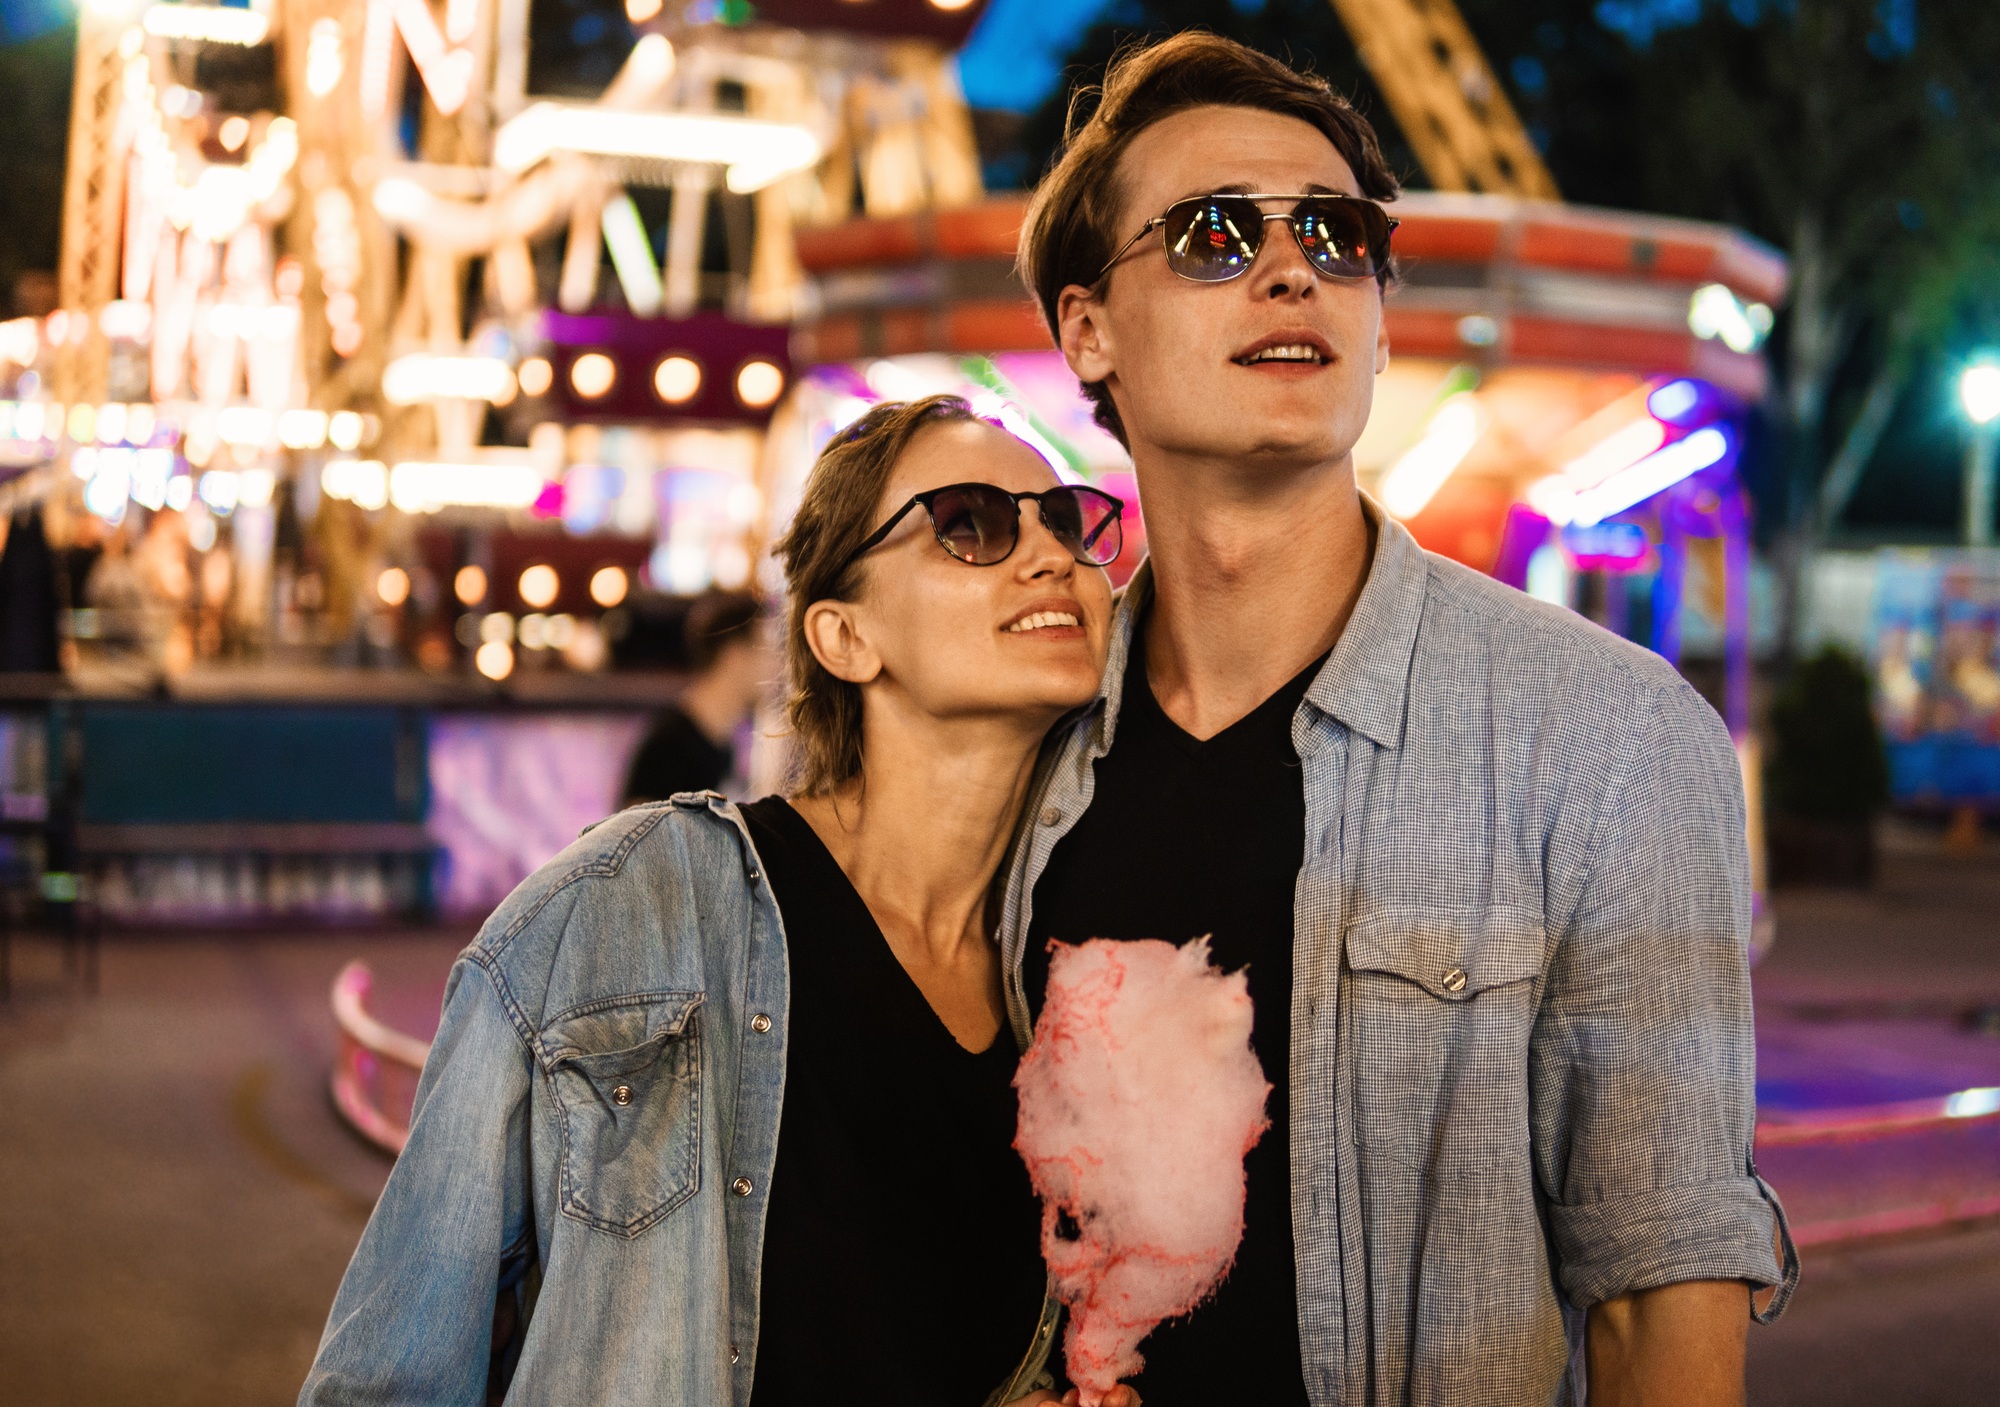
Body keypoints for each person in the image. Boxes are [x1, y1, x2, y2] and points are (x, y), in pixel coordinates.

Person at [996, 33, 1796, 1407]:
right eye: (1209, 235)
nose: (1290, 265)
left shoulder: (1608, 739)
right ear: (1088, 328)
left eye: (1337, 232)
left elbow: (1665, 1301)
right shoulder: (1009, 746)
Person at [299, 397, 1139, 1407]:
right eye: (971, 523)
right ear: (841, 635)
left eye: (1063, 518)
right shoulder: (624, 911)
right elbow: (387, 1380)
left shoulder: (1087, 986)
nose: (1050, 553)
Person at [622, 589, 767, 804]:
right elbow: (636, 831)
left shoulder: (724, 744)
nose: (777, 666)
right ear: (735, 656)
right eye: (767, 651)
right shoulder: (669, 746)